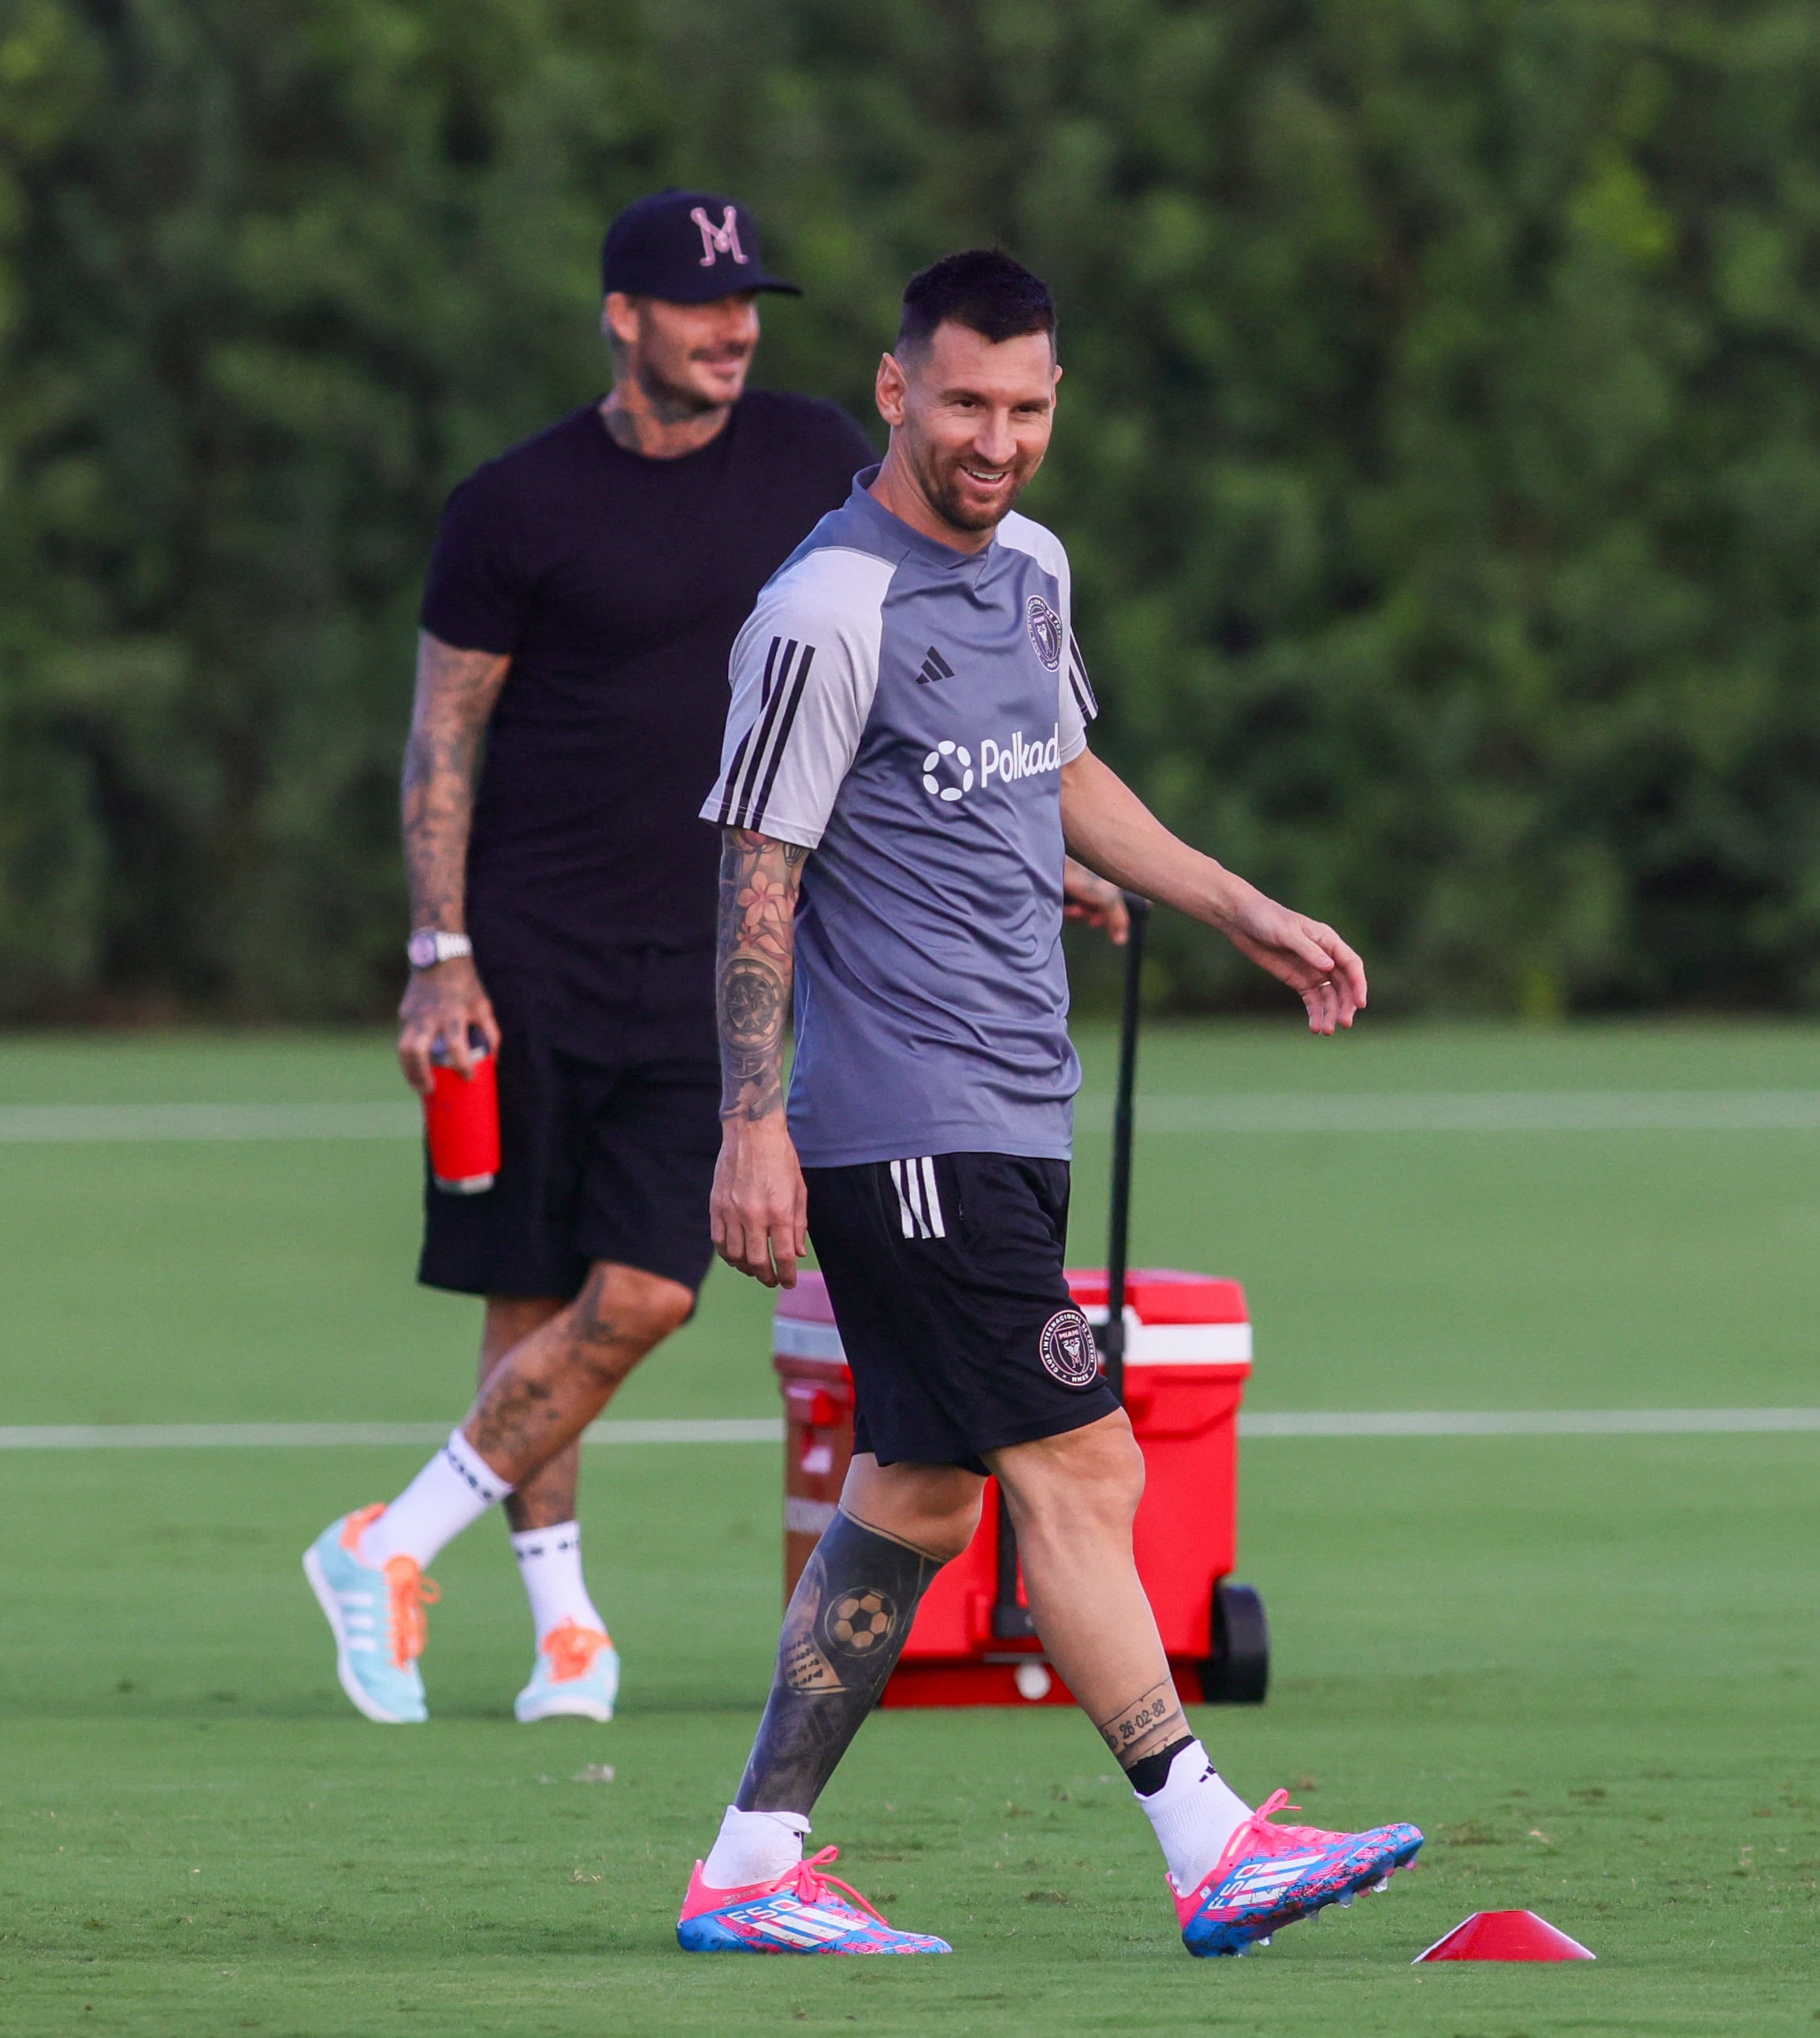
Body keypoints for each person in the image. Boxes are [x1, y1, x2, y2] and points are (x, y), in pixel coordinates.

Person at [675, 250, 1421, 1960]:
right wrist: (749, 1118)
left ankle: (753, 1861)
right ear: (891, 389)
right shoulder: (825, 607)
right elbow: (759, 867)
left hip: (1013, 1109)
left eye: (1024, 407)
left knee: (924, 1493)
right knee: (1081, 1459)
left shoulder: (1028, 572)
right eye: (961, 403)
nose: (994, 439)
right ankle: (1206, 1835)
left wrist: (1232, 904)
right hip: (901, 1122)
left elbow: (1049, 770)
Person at [303, 191, 876, 1728]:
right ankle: (568, 1638)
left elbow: (910, 652)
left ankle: (387, 1541)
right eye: (701, 304)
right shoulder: (515, 504)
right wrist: (441, 957)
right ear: (622, 315)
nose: (734, 327)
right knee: (530, 1290)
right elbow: (443, 737)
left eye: (748, 299)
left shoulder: (817, 456)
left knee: (645, 1293)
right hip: (533, 956)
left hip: (719, 959)